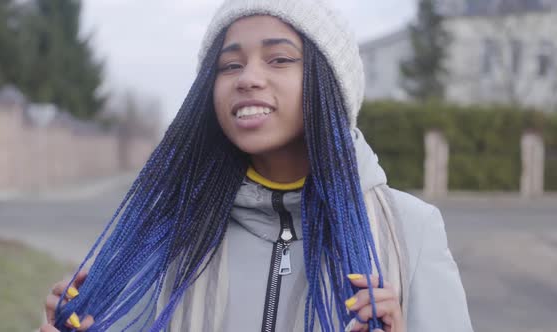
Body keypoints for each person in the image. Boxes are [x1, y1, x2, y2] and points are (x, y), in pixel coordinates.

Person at [41, 0, 473, 331]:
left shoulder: (409, 231)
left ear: (330, 84)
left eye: (279, 58)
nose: (247, 77)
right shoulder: (167, 234)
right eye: (229, 65)